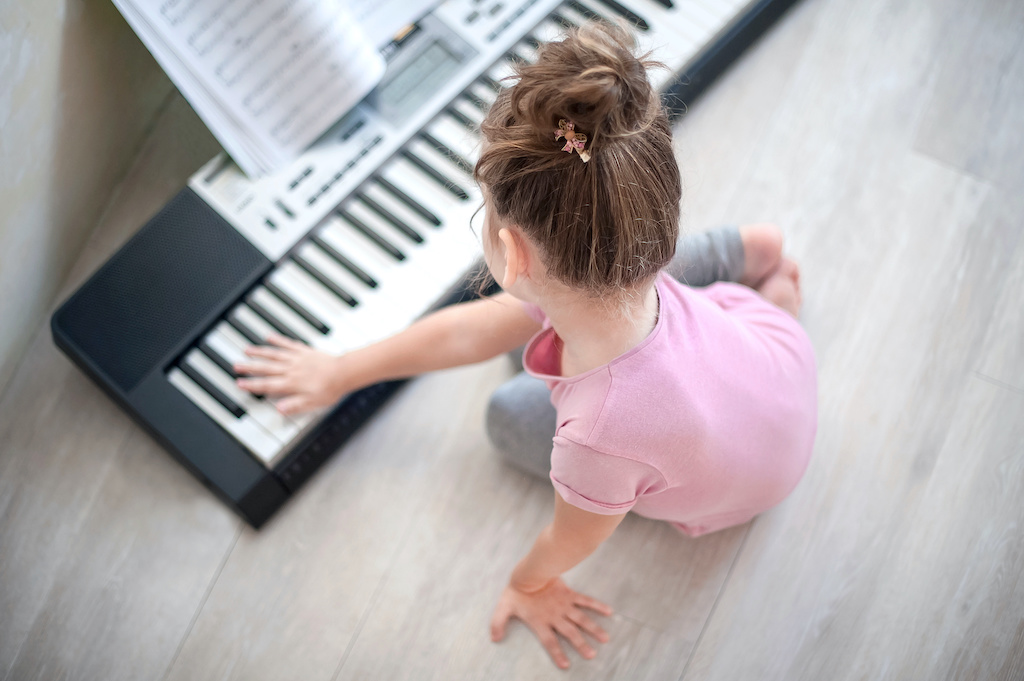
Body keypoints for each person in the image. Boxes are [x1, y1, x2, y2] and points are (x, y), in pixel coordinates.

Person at [235, 22, 817, 671]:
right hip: (774, 360)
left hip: (740, 485)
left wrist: (528, 583)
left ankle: (770, 286)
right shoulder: (633, 253)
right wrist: (341, 370)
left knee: (508, 412)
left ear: (512, 254)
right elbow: (470, 329)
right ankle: (769, 277)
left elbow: (574, 535)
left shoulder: (596, 436)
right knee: (583, 323)